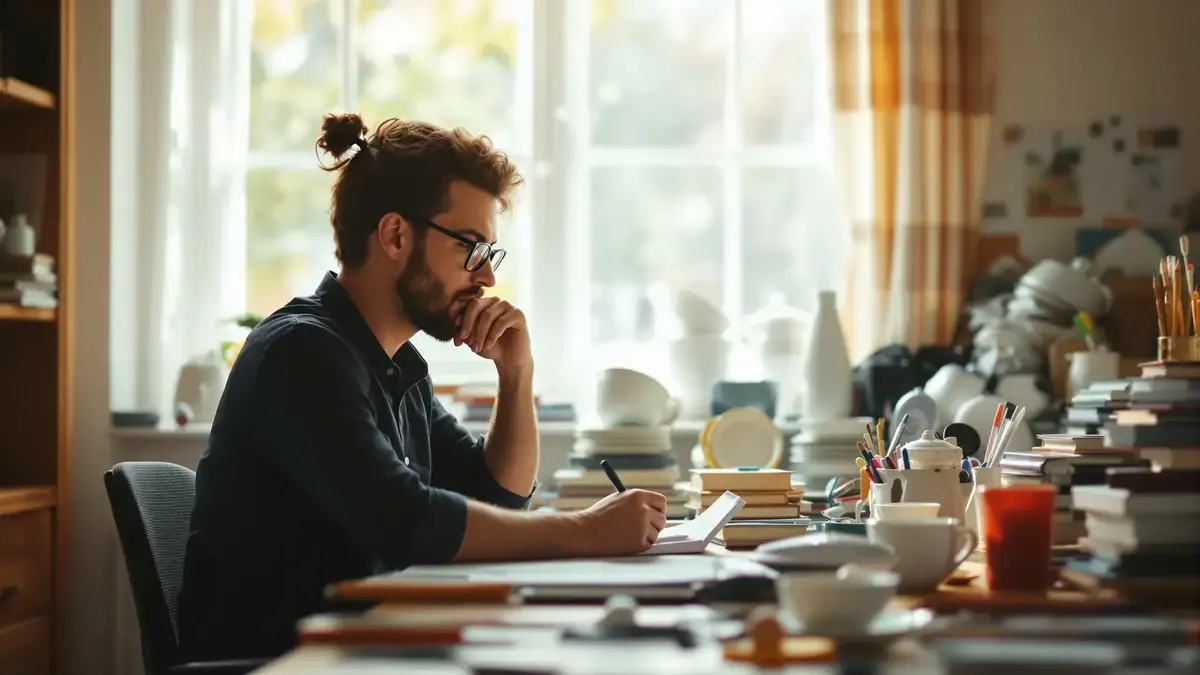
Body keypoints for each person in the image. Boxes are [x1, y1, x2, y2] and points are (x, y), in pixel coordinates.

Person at [176, 113, 668, 661]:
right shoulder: (301, 353)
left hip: (368, 649)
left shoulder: (397, 366)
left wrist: (516, 371)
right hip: (288, 664)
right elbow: (406, 522)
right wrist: (583, 531)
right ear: (395, 235)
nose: (486, 278)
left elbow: (496, 499)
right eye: (472, 248)